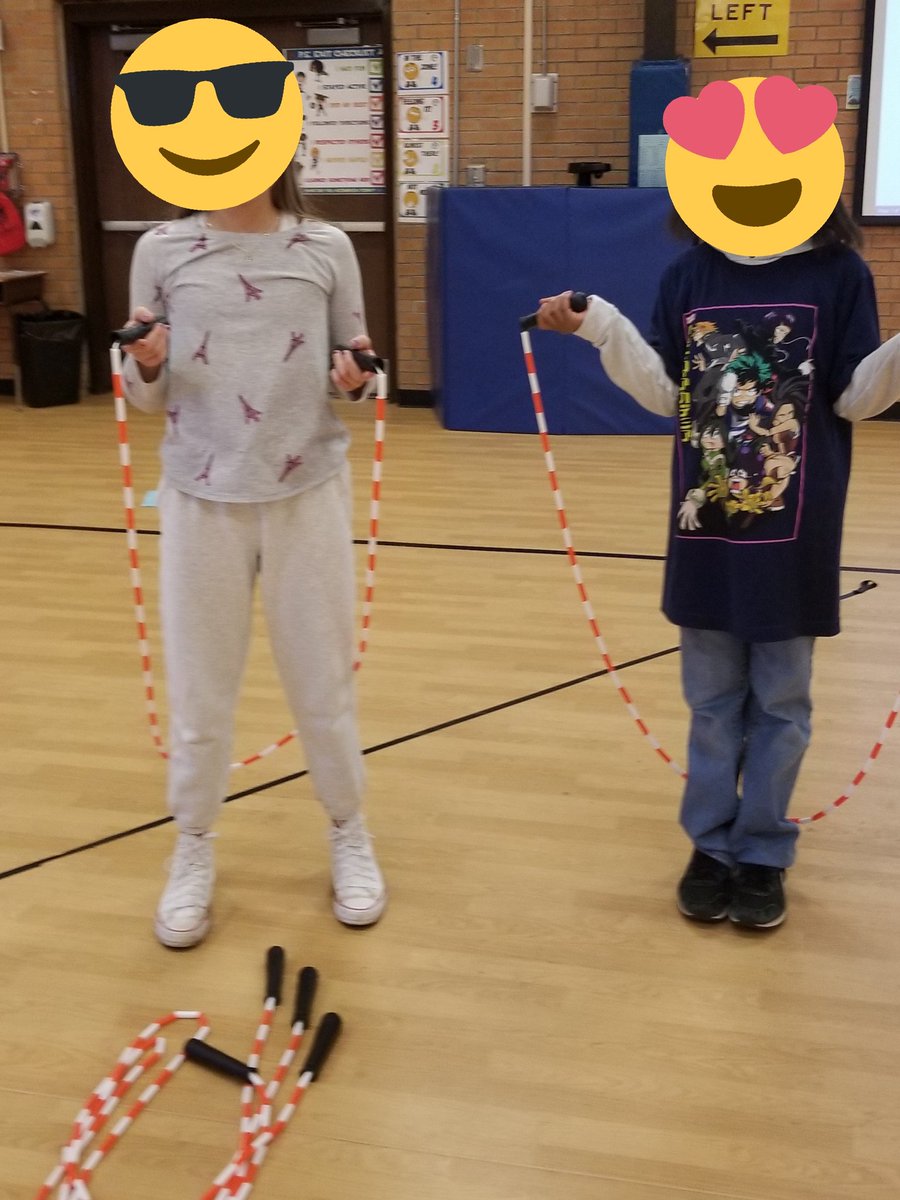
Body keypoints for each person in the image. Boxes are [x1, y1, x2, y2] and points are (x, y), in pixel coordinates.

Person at [537, 200, 900, 929]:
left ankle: (762, 852)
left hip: (794, 539)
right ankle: (710, 846)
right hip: (706, 534)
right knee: (711, 706)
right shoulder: (689, 275)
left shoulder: (839, 274)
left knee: (780, 706)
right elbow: (663, 391)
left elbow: (856, 398)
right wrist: (600, 323)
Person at [121, 164, 387, 948]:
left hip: (307, 493)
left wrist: (356, 377)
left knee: (323, 688)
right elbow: (146, 394)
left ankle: (348, 829)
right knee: (202, 697)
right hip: (201, 500)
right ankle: (194, 843)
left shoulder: (327, 245)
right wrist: (145, 362)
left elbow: (358, 375)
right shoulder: (162, 247)